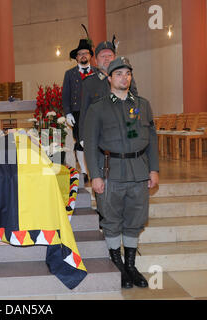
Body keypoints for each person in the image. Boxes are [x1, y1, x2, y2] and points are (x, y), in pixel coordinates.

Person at [83, 57, 159, 289]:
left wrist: (154, 169)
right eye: (119, 74)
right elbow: (90, 143)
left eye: (127, 73)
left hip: (139, 170)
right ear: (109, 78)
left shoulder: (143, 105)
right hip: (110, 171)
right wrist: (95, 175)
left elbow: (153, 140)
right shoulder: (98, 108)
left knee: (135, 220)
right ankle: (117, 265)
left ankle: (130, 266)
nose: (124, 77)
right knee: (113, 220)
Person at [79, 40, 138, 142]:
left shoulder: (126, 78)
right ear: (96, 61)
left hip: (124, 133)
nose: (107, 58)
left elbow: (135, 103)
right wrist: (83, 138)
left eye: (110, 55)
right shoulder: (89, 83)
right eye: (102, 56)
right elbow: (84, 112)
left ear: (115, 58)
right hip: (99, 135)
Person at [62, 38, 94, 184]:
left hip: (95, 112)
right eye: (80, 53)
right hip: (77, 113)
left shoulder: (97, 72)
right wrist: (68, 113)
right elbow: (65, 95)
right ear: (76, 57)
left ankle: (95, 170)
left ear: (90, 55)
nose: (83, 56)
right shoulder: (70, 74)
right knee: (80, 143)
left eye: (85, 53)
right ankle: (83, 171)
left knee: (95, 142)